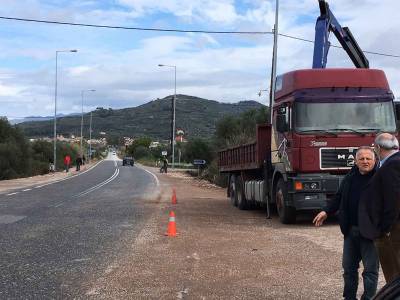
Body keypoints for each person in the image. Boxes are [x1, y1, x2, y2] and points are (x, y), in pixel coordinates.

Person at [313, 146, 379, 300]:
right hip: (351, 231)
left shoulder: (380, 179)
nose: (365, 161)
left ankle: (368, 298)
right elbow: (338, 198)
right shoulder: (349, 177)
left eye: (368, 158)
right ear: (355, 161)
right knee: (349, 269)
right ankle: (349, 298)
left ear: (375, 160)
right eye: (361, 159)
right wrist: (326, 211)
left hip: (371, 233)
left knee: (370, 271)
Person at [360, 133, 400, 284]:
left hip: (394, 231)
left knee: (394, 274)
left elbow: (394, 199)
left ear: (377, 147)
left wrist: (386, 228)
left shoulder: (391, 165)